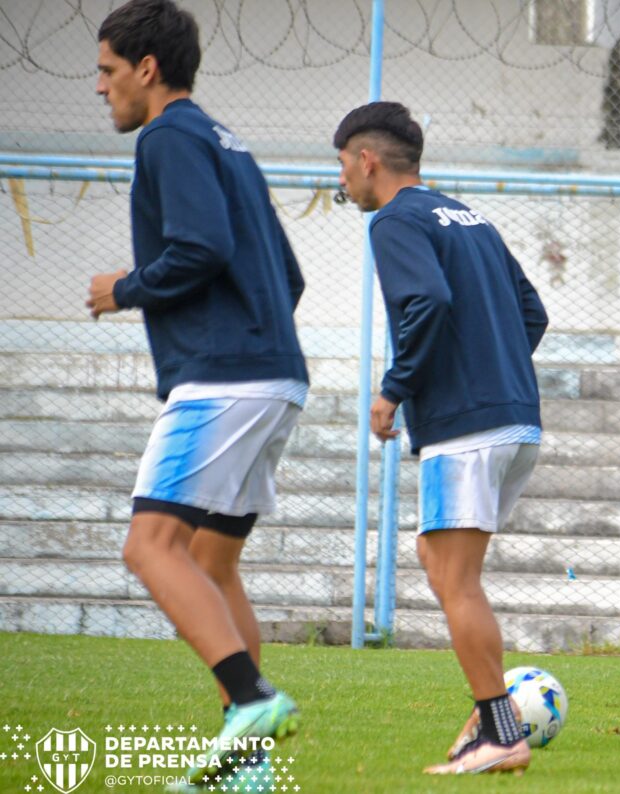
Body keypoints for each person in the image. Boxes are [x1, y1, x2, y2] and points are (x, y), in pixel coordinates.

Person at [87, 0, 306, 786]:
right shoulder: (229, 143)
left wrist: (127, 287)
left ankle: (250, 698)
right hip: (274, 375)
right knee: (213, 565)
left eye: (108, 71)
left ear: (146, 69)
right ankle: (245, 763)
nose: (102, 88)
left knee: (149, 547)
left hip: (223, 380)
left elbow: (202, 247)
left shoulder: (169, 136)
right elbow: (290, 276)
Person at [333, 101, 548, 775]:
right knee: (436, 557)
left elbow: (426, 302)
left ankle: (500, 730)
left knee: (456, 582)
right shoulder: (469, 216)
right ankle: (493, 714)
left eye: (341, 164)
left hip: (467, 427)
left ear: (367, 160)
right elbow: (532, 312)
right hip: (514, 419)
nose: (342, 180)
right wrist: (495, 369)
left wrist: (393, 388)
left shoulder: (394, 219)